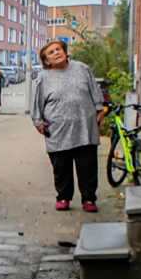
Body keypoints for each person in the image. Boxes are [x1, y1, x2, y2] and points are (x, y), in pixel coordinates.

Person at [32, 39, 104, 212]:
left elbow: (94, 90)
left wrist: (99, 108)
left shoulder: (82, 69)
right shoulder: (44, 78)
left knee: (87, 166)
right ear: (47, 61)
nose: (56, 53)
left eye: (58, 49)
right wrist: (38, 122)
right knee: (61, 167)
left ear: (64, 51)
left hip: (85, 126)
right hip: (58, 130)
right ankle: (63, 197)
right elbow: (36, 101)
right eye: (51, 52)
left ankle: (89, 199)